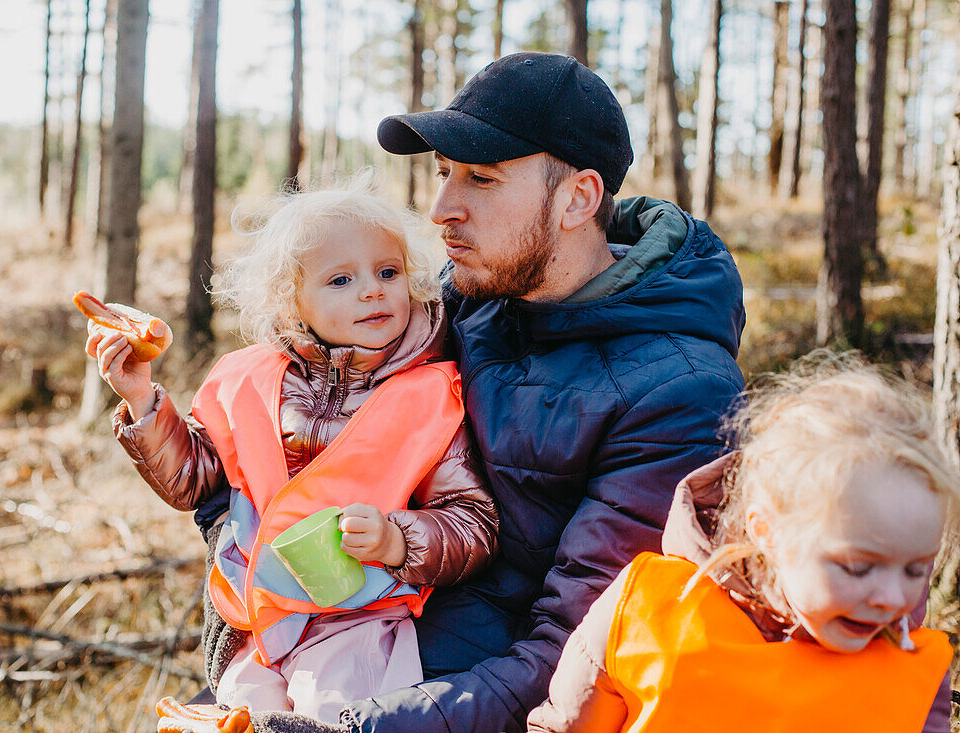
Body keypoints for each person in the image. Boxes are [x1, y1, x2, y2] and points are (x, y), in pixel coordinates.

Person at [174, 51, 746, 733]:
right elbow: (305, 433)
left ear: (579, 198)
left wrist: (358, 726)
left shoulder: (679, 391)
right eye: (444, 173)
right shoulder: (461, 304)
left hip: (454, 701)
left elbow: (580, 655)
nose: (442, 208)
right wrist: (229, 534)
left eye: (481, 178)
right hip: (330, 638)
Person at [86, 181, 498, 724]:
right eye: (341, 280)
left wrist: (397, 537)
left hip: (357, 619)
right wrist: (142, 401)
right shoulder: (249, 379)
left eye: (388, 272)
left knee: (339, 717)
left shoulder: (430, 395)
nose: (373, 291)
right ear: (292, 301)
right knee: (241, 716)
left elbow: (474, 524)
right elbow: (196, 480)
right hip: (254, 616)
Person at [526, 353, 957, 732]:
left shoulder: (913, 674)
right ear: (768, 532)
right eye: (858, 567)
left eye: (915, 569)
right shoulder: (648, 609)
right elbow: (564, 723)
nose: (891, 597)